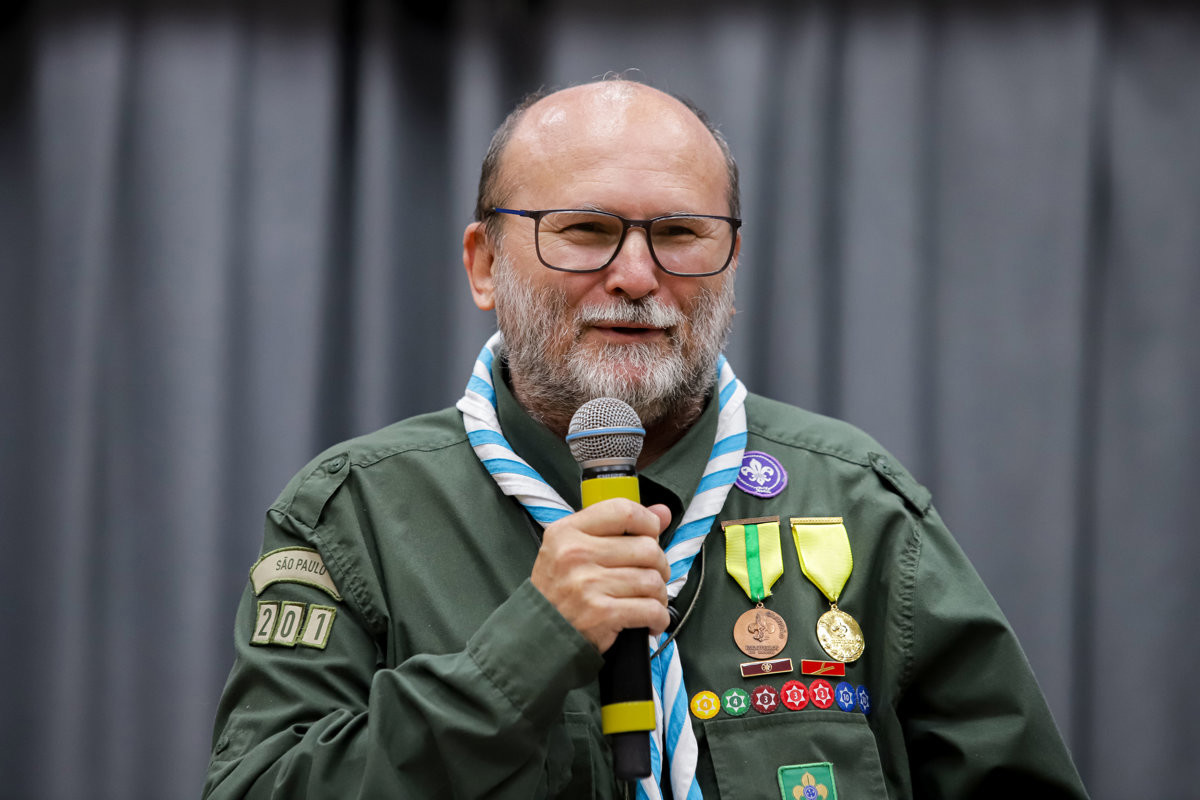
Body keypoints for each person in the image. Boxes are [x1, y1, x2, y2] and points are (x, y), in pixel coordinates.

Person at [204, 78, 1089, 799]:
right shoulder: (354, 514)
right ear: (483, 264)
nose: (635, 276)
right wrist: (525, 649)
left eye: (680, 234)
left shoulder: (858, 503)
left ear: (730, 266)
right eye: (585, 231)